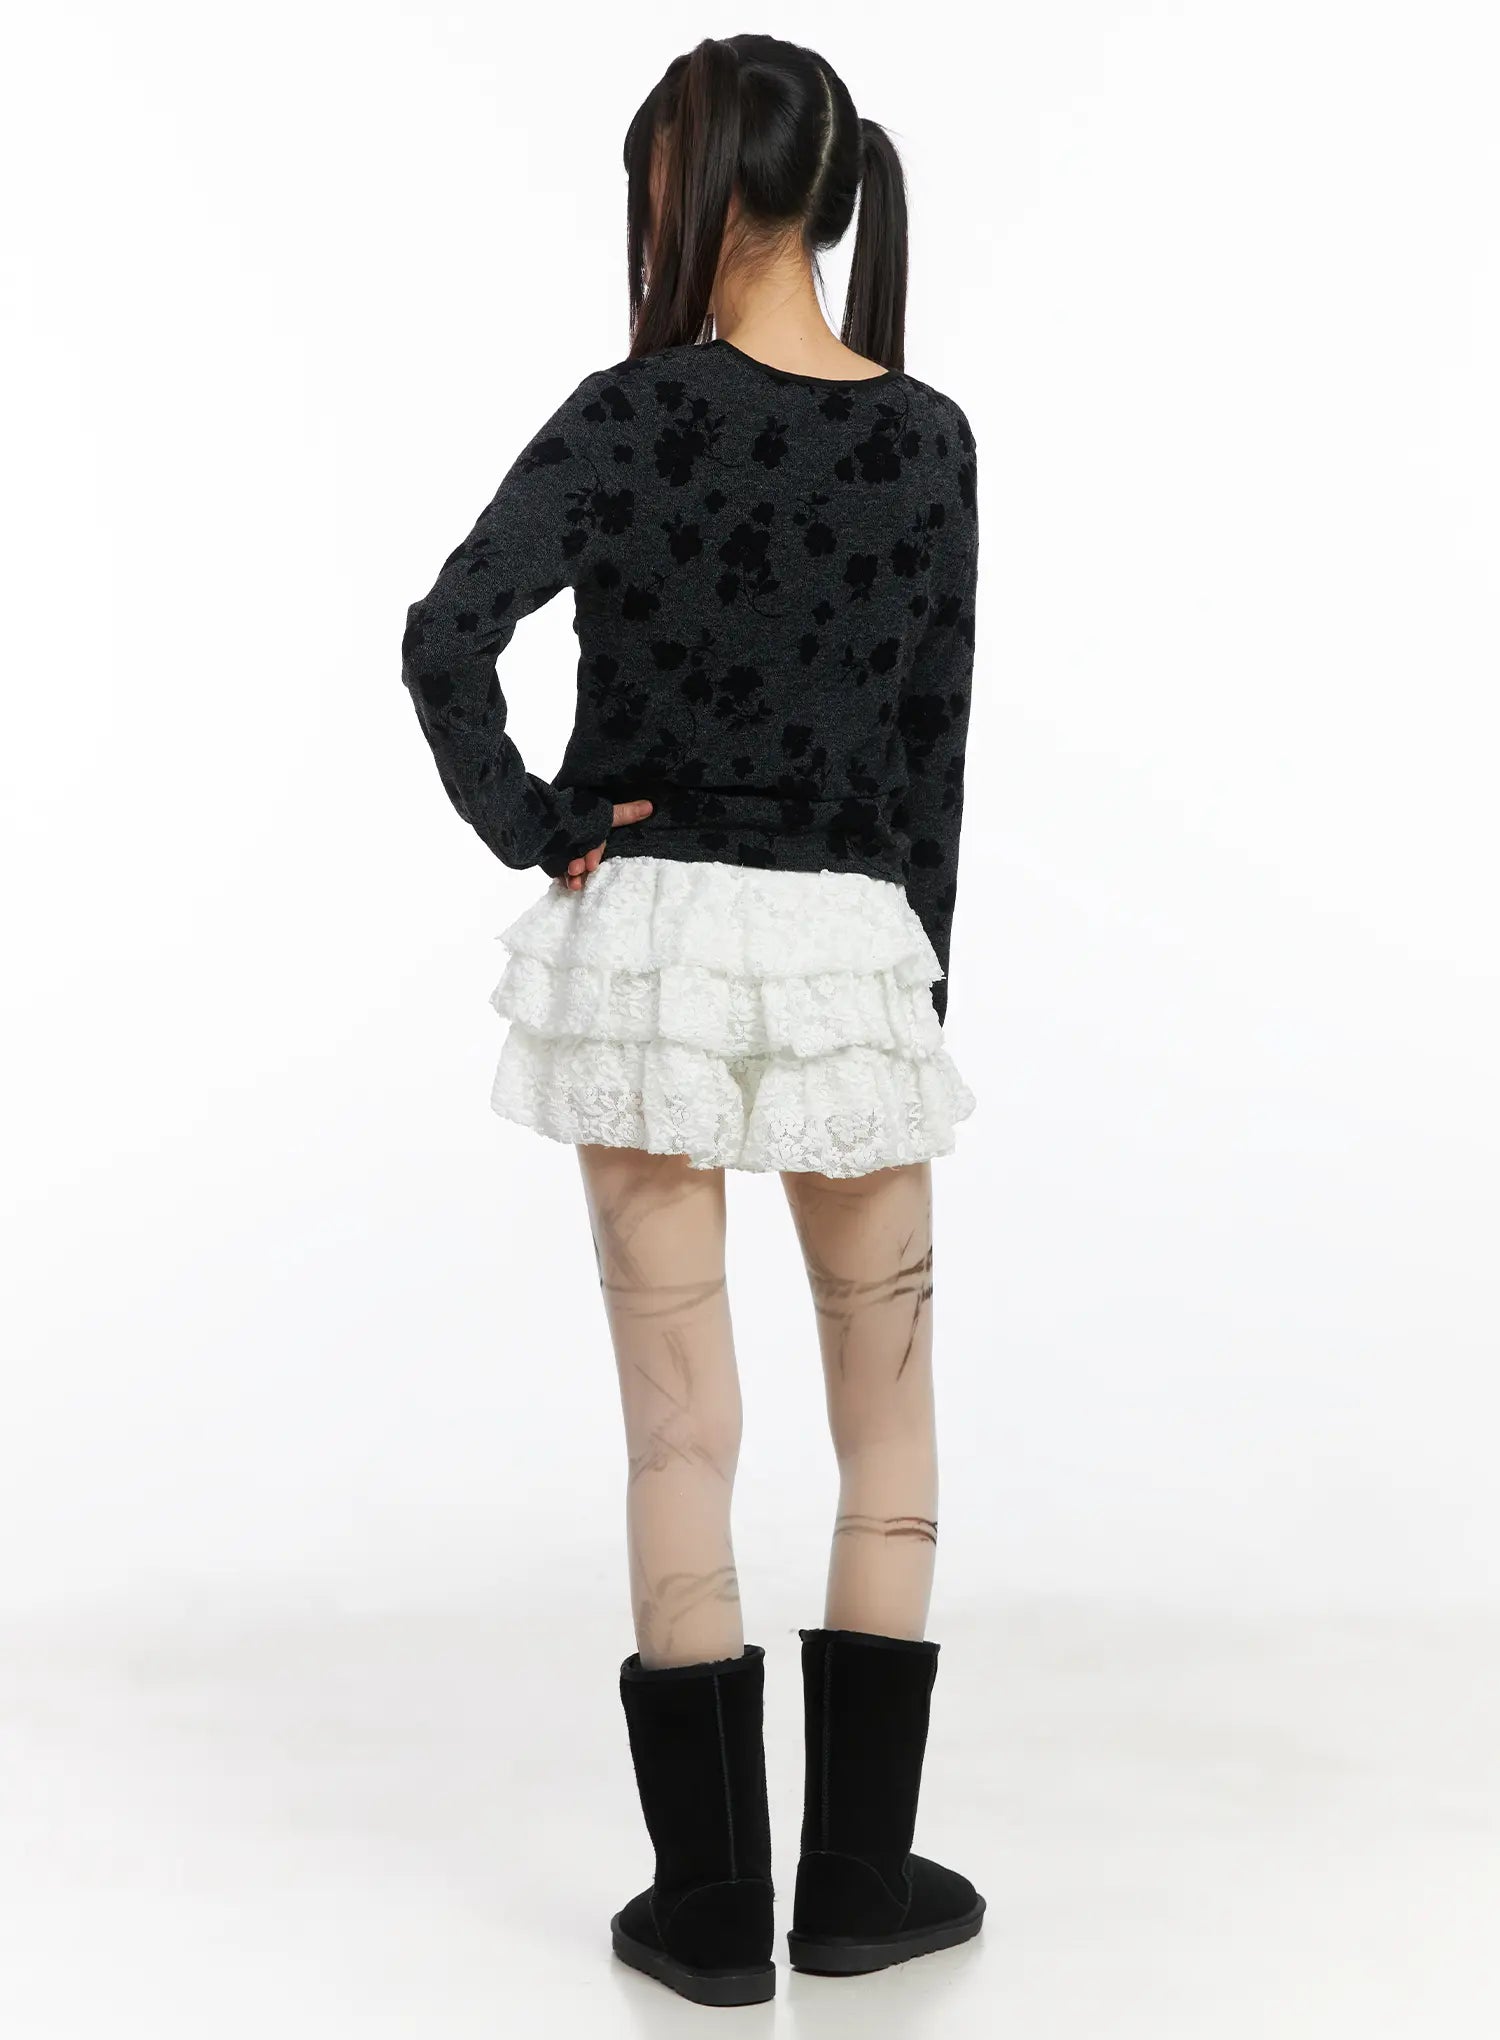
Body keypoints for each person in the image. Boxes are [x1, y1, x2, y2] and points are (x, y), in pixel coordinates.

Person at [400, 32, 984, 2008]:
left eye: (650, 165)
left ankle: (713, 1910)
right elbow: (929, 752)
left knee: (681, 1428)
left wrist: (546, 827)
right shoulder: (928, 441)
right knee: (887, 1419)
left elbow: (446, 637)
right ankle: (861, 1887)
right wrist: (915, 983)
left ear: (704, 180)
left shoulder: (627, 415)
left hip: (647, 948)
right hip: (845, 950)